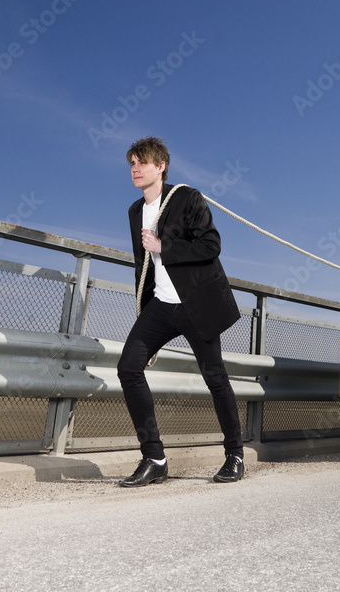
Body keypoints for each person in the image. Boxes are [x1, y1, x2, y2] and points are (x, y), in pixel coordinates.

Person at [116, 136, 244, 486]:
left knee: (215, 377)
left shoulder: (187, 198)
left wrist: (163, 245)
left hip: (195, 304)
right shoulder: (135, 211)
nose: (135, 168)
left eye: (142, 162)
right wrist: (144, 304)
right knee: (128, 368)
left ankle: (235, 455)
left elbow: (211, 245)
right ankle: (154, 458)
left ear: (161, 167)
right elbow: (143, 265)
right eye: (132, 163)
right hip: (160, 306)